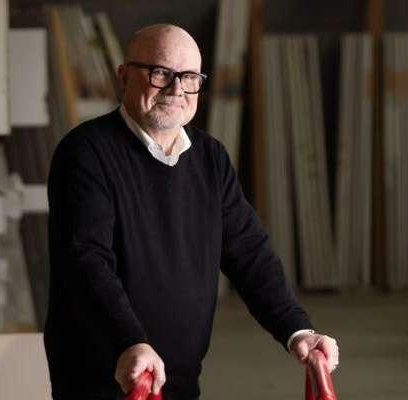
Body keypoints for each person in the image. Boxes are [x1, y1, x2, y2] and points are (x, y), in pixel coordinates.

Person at [44, 24, 339, 400]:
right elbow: (87, 261)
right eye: (160, 73)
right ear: (124, 76)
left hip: (179, 378)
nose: (176, 90)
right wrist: (128, 341)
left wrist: (296, 329)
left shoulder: (210, 158)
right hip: (107, 376)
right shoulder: (86, 153)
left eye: (189, 77)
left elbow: (248, 252)